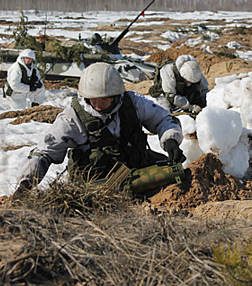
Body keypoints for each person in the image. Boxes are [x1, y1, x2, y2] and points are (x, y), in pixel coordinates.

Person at [13, 62, 185, 195]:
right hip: (96, 188)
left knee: (177, 175)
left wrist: (170, 140)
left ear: (116, 95)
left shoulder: (132, 103)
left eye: (104, 99)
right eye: (93, 99)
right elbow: (44, 152)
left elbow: (164, 119)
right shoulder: (73, 118)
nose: (98, 104)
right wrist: (26, 183)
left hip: (137, 171)